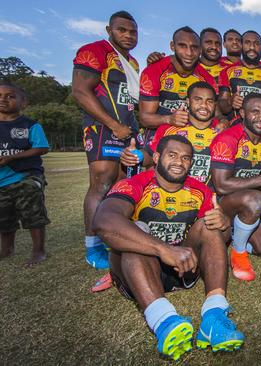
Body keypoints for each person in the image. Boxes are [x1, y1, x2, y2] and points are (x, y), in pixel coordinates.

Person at [94, 135, 244, 360]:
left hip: (182, 269)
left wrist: (224, 225)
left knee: (209, 224)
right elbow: (104, 222)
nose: (179, 162)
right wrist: (162, 248)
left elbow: (217, 240)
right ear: (156, 157)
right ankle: (163, 320)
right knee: (137, 229)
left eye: (185, 158)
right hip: (137, 271)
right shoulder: (134, 183)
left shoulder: (200, 190)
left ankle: (214, 315)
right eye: (172, 155)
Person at [72, 10, 139, 269]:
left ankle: (114, 235)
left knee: (122, 184)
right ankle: (93, 246)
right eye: (122, 30)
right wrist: (112, 124)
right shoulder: (95, 50)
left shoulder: (131, 62)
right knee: (101, 181)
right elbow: (80, 91)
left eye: (133, 31)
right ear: (109, 29)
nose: (128, 35)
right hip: (102, 127)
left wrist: (129, 129)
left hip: (127, 129)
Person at [210, 94, 261, 281]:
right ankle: (239, 252)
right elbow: (221, 185)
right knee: (254, 198)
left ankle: (237, 233)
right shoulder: (227, 138)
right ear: (242, 113)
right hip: (221, 204)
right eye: (255, 112)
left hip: (249, 205)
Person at [121, 81, 221, 185]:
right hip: (171, 191)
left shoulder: (222, 131)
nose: (204, 105)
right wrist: (136, 156)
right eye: (198, 99)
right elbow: (151, 156)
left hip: (206, 193)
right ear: (188, 101)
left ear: (215, 105)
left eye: (209, 101)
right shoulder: (169, 129)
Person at [139, 26, 222, 146]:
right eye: (182, 46)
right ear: (172, 46)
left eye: (194, 47)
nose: (189, 53)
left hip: (189, 140)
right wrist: (169, 119)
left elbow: (217, 113)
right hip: (157, 136)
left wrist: (223, 121)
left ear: (200, 50)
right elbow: (144, 118)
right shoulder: (154, 70)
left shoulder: (207, 78)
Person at [0, 84, 50, 267]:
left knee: (32, 211)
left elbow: (42, 147)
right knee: (4, 216)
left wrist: (12, 157)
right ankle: (6, 249)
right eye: (0, 95)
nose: (3, 99)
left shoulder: (30, 125)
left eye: (10, 96)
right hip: (2, 180)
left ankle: (38, 251)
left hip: (26, 175)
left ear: (23, 103)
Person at [217, 31, 261, 117]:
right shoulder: (227, 71)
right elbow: (222, 103)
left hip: (260, 125)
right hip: (235, 125)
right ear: (241, 46)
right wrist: (230, 102)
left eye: (256, 43)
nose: (252, 47)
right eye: (247, 43)